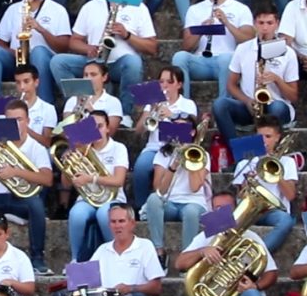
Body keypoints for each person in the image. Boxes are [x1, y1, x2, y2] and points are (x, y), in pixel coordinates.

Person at [50, 0, 157, 118]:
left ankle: (125, 114)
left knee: (134, 63)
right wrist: (88, 48)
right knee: (58, 62)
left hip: (120, 65)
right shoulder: (90, 6)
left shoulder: (139, 7)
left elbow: (152, 47)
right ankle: (82, 104)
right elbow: (73, 41)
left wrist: (127, 35)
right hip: (94, 62)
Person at [0, 99, 53, 275]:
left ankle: (37, 258)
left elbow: (47, 179)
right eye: (11, 120)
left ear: (27, 121)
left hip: (21, 198)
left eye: (19, 119)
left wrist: (16, 172)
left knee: (36, 205)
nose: (15, 124)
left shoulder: (35, 147)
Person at [212, 9, 299, 141]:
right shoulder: (243, 49)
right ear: (254, 24)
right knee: (220, 105)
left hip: (276, 105)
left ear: (277, 24)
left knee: (277, 107)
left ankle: (267, 150)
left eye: (269, 23)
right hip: (250, 105)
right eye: (261, 23)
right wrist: (247, 101)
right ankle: (237, 150)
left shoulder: (288, 52)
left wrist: (276, 80)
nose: (265, 28)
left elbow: (293, 96)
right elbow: (231, 84)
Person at [171, 0, 255, 99]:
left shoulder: (241, 9)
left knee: (226, 58)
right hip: (201, 62)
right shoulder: (195, 9)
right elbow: (186, 46)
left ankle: (223, 105)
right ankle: (184, 107)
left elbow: (249, 41)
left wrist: (227, 23)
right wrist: (201, 30)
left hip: (227, 63)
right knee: (179, 57)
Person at [143, 114, 211, 266]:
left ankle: (186, 258)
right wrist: (173, 165)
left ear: (192, 132)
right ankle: (159, 251)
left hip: (194, 202)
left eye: (183, 128)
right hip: (170, 202)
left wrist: (190, 160)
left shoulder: (203, 155)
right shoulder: (162, 154)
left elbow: (195, 188)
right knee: (153, 199)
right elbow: (159, 189)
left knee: (191, 212)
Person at [64, 110, 129, 262]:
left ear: (107, 128)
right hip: (87, 198)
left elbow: (119, 180)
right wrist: (68, 162)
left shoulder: (119, 148)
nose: (96, 131)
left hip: (113, 198)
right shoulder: (81, 149)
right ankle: (76, 259)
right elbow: (66, 183)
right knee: (76, 215)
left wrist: (91, 178)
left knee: (104, 214)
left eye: (100, 126)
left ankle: (114, 258)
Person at [132, 66, 198, 214]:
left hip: (175, 147)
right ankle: (141, 208)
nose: (165, 86)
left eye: (169, 82)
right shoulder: (153, 103)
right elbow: (138, 131)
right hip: (153, 147)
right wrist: (150, 111)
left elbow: (190, 129)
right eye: (161, 82)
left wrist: (171, 115)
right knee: (140, 168)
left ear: (179, 85)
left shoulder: (188, 104)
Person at [230, 116, 297, 253]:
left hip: (274, 210)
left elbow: (290, 196)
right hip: (250, 209)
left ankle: (259, 253)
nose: (264, 141)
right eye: (260, 137)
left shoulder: (287, 162)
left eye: (268, 136)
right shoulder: (246, 162)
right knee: (216, 219)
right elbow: (241, 196)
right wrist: (248, 180)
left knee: (286, 221)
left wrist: (276, 173)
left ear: (277, 137)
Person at [60, 62, 123, 134]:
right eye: (86, 75)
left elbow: (109, 132)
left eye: (93, 75)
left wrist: (92, 112)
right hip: (76, 142)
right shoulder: (73, 100)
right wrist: (75, 112)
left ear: (104, 77)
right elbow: (66, 132)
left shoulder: (113, 102)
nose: (88, 78)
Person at [13, 64, 58, 148]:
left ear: (36, 82)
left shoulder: (48, 109)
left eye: (26, 81)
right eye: (18, 83)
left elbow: (47, 142)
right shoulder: (11, 109)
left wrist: (26, 129)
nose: (22, 87)